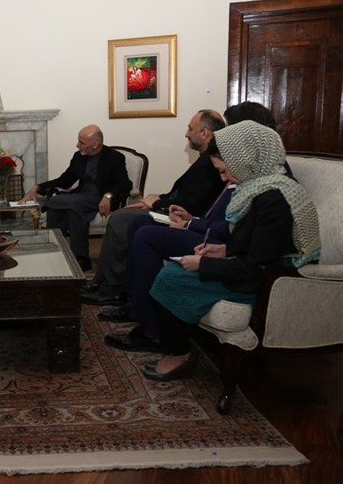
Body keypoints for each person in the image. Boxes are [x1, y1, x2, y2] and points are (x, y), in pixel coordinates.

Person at [140, 120, 320, 381]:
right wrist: (223, 249)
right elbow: (255, 242)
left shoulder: (273, 198)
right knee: (173, 271)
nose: (225, 179)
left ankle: (179, 355)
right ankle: (175, 349)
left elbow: (256, 266)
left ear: (243, 159)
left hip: (264, 281)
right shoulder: (260, 186)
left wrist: (203, 264)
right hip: (250, 267)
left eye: (224, 171)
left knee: (170, 277)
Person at [101, 102, 282, 348]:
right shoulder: (244, 168)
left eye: (229, 128)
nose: (222, 134)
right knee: (140, 225)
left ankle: (151, 328)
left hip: (220, 241)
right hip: (212, 231)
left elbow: (236, 232)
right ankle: (131, 302)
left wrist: (190, 225)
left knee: (146, 234)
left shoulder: (259, 176)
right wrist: (191, 220)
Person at [82, 109, 226, 305]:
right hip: (172, 209)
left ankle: (112, 287)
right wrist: (156, 198)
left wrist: (156, 203)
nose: (186, 134)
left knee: (120, 220)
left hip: (182, 218)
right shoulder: (205, 159)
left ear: (204, 133)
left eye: (190, 128)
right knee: (122, 215)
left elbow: (190, 203)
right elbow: (183, 193)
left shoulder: (210, 164)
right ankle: (102, 281)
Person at [18, 124, 132, 271]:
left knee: (59, 202)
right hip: (80, 198)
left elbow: (125, 184)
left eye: (82, 142)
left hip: (100, 198)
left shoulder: (114, 157)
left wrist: (108, 195)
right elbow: (65, 180)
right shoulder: (79, 157)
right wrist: (38, 187)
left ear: (95, 144)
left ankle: (79, 256)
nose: (77, 145)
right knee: (71, 208)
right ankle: (61, 253)